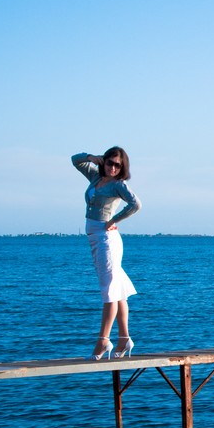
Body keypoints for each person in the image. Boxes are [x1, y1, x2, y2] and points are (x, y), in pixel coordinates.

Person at [72, 146, 141, 360]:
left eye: (117, 165)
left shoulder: (119, 185)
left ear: (122, 167)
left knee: (110, 290)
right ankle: (124, 338)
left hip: (106, 239)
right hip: (96, 238)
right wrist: (93, 157)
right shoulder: (95, 176)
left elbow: (136, 205)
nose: (112, 167)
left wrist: (114, 220)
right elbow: (75, 160)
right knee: (117, 289)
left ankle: (103, 341)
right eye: (109, 162)